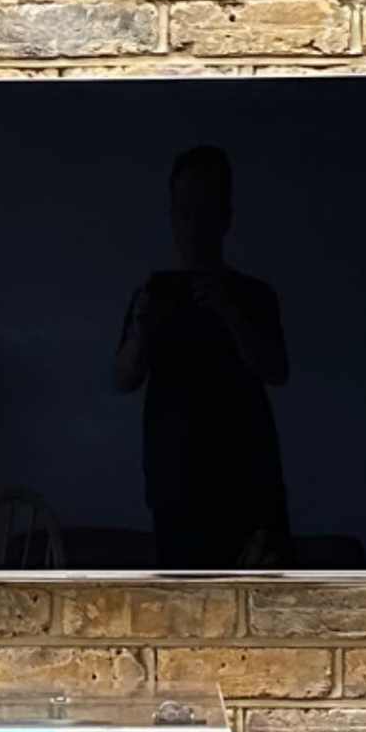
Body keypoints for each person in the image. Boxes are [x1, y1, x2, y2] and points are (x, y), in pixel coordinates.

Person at [115, 144, 290, 566]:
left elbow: (277, 370)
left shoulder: (253, 296)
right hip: (175, 488)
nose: (194, 226)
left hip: (247, 486)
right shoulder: (155, 294)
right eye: (183, 212)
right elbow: (123, 378)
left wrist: (229, 310)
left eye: (206, 210)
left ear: (226, 218)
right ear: (172, 217)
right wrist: (142, 328)